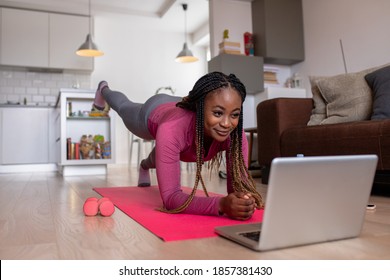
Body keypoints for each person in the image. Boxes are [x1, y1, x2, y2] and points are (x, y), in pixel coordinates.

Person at [92, 72, 264, 220]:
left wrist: (243, 200)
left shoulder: (236, 137)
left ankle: (145, 165)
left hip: (178, 127)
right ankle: (103, 89)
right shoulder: (171, 129)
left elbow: (237, 189)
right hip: (154, 112)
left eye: (234, 115)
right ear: (199, 108)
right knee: (123, 107)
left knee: (165, 151)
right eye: (218, 113)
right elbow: (171, 199)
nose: (227, 123)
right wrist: (220, 204)